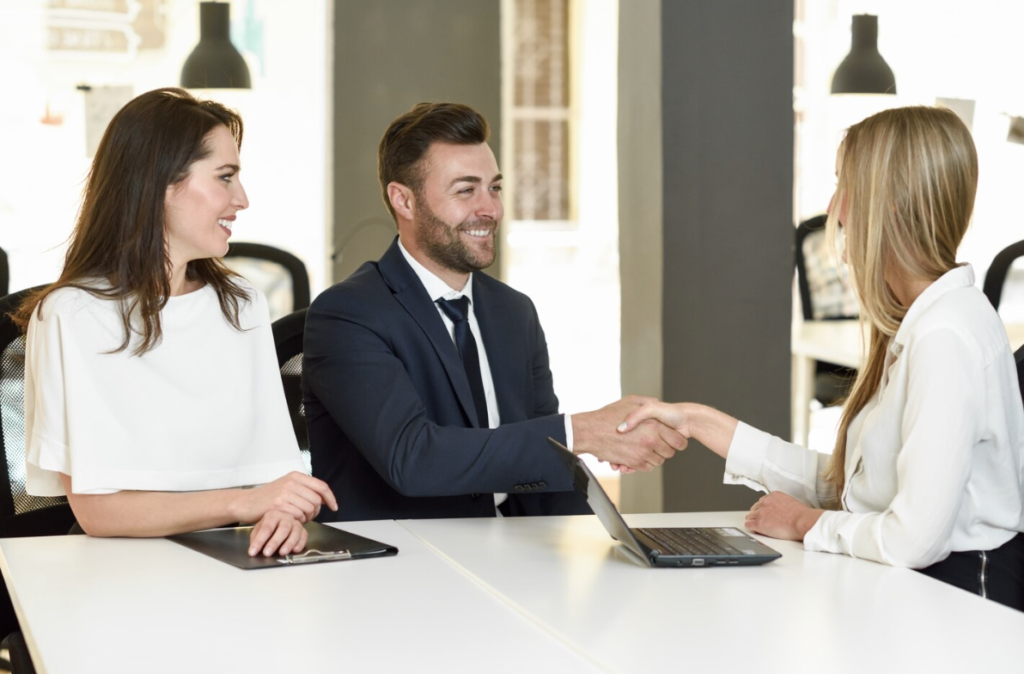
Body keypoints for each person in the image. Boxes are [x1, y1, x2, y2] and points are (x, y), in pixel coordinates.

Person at [619, 106, 1024, 610]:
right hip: (918, 593)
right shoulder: (924, 322)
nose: (834, 209)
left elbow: (914, 539)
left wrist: (803, 522)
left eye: (844, 185)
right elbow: (850, 487)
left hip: (962, 606)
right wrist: (698, 422)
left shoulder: (946, 335)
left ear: (891, 202)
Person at [304, 101, 685, 521]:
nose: (490, 209)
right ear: (404, 201)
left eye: (495, 188)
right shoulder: (348, 314)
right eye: (466, 190)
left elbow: (550, 465)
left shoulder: (514, 312)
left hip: (510, 549)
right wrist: (583, 432)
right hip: (400, 560)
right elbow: (413, 459)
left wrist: (606, 542)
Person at [15, 88, 337, 558]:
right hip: (119, 572)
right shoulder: (72, 315)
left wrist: (281, 516)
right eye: (225, 177)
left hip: (236, 559)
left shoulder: (241, 304)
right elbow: (99, 513)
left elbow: (274, 476)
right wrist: (246, 503)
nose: (241, 199)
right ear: (159, 183)